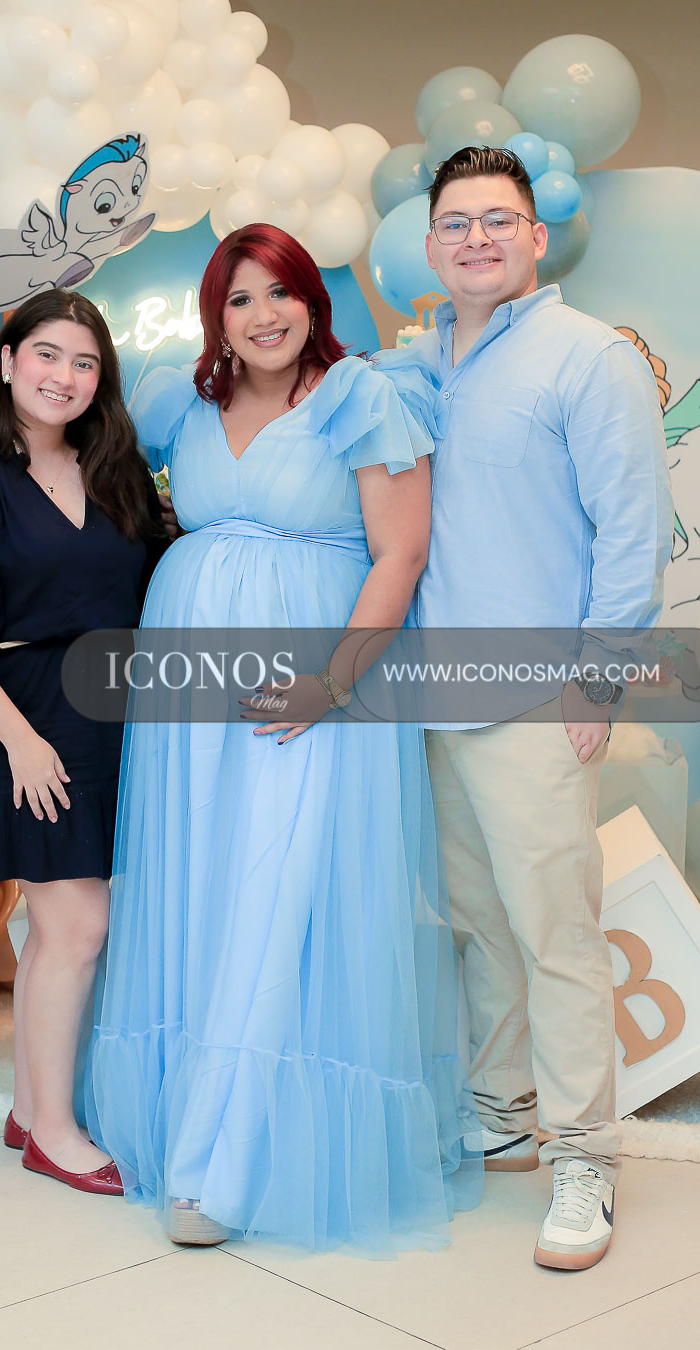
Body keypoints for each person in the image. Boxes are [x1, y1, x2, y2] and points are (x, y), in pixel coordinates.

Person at [86, 223, 482, 1251]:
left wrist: (332, 685)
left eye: (281, 293)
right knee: (210, 886)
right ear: (216, 317)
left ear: (314, 300)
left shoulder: (362, 398)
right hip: (191, 696)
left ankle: (231, 1156)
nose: (263, 316)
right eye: (240, 298)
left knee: (283, 889)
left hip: (309, 686)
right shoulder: (185, 405)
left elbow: (400, 555)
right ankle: (189, 1118)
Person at [388, 145, 671, 1270]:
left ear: (536, 236)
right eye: (457, 223)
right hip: (435, 696)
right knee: (478, 925)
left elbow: (633, 530)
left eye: (497, 220)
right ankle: (503, 1112)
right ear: (431, 244)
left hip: (539, 699)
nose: (477, 239)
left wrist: (598, 680)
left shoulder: (589, 355)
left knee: (556, 934)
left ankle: (585, 1154)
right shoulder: (418, 364)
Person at [0, 289, 159, 1197]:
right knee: (76, 924)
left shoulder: (114, 465)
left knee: (69, 925)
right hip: (17, 718)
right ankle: (53, 1130)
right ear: (8, 361)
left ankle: (29, 1105)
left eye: (85, 363)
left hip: (106, 714)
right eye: (47, 355)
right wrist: (19, 740)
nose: (65, 376)